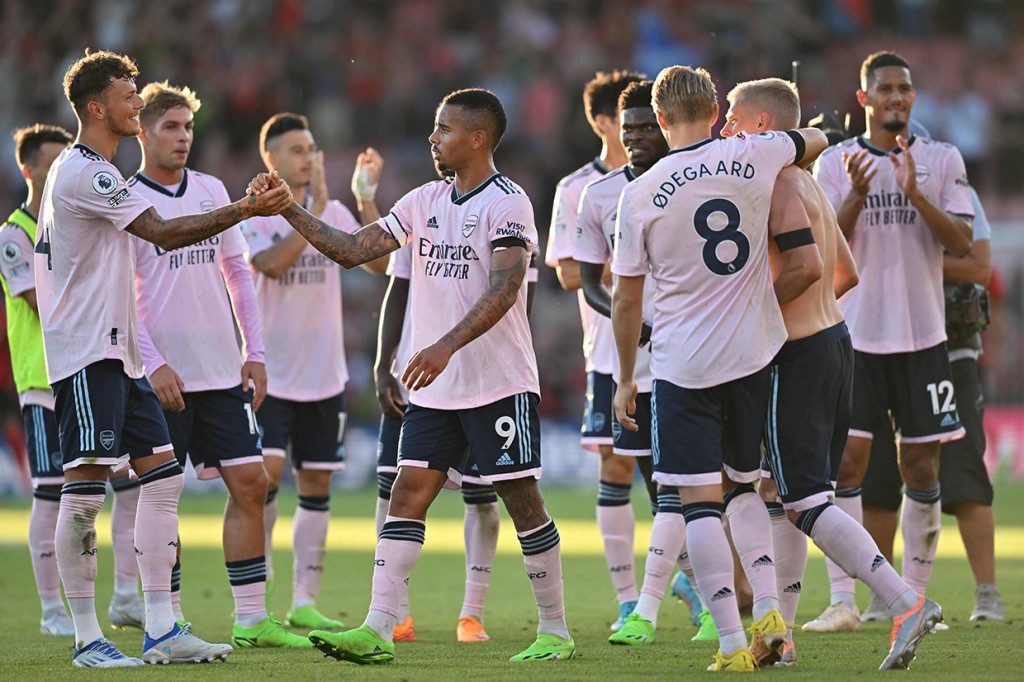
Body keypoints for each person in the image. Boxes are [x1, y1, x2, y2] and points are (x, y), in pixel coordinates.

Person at [250, 87, 574, 664]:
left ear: (477, 138)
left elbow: (505, 290)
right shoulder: (424, 200)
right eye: (433, 127)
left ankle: (554, 628)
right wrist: (289, 210)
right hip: (436, 388)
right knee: (407, 493)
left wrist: (446, 344)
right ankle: (378, 627)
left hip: (497, 381)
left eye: (444, 129)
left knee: (521, 498)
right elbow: (353, 249)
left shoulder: (510, 202)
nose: (433, 138)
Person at [36, 49, 289, 667]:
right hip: (90, 349)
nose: (138, 104)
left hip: (121, 355)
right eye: (129, 97)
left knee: (162, 478)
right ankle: (88, 638)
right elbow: (163, 233)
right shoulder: (86, 173)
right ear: (98, 108)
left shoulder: (102, 173)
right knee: (87, 488)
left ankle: (161, 627)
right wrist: (245, 210)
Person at [611, 65, 828, 672]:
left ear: (658, 119)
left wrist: (626, 378)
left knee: (697, 501)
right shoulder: (754, 153)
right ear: (714, 109)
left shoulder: (639, 193)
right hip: (752, 355)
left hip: (683, 364)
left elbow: (627, 300)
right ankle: (771, 620)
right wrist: (789, 145)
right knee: (745, 489)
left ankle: (733, 645)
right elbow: (816, 139)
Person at [722, 77, 944, 671]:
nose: (723, 131)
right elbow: (843, 273)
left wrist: (747, 320)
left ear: (763, 127)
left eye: (732, 120)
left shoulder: (771, 183)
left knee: (797, 499)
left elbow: (807, 268)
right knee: (783, 494)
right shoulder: (811, 186)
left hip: (794, 355)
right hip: (833, 343)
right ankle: (781, 637)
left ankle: (904, 600)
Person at [129, 81, 310, 648]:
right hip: (161, 377)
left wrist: (252, 353)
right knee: (161, 496)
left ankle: (252, 617)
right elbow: (118, 292)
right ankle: (170, 618)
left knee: (251, 484)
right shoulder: (126, 199)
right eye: (170, 127)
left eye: (188, 127)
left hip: (219, 372)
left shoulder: (211, 190)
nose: (183, 138)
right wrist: (152, 362)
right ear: (142, 131)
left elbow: (238, 274)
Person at [808, 51, 974, 629]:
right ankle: (842, 602)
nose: (897, 98)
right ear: (865, 99)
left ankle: (914, 600)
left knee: (922, 466)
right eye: (886, 89)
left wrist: (917, 194)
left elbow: (961, 244)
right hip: (854, 338)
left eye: (905, 89)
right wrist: (856, 194)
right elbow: (824, 249)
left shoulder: (940, 159)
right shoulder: (835, 163)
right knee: (847, 462)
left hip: (923, 335)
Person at [242, 113, 387, 632]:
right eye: (297, 149)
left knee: (317, 482)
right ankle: (257, 594)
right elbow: (273, 264)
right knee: (264, 482)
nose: (309, 157)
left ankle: (304, 598)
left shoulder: (336, 209)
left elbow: (378, 264)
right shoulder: (255, 213)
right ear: (272, 158)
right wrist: (314, 212)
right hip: (270, 377)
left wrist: (363, 198)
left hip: (324, 375)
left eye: (312, 148)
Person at [1, 124, 144, 636]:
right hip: (44, 379)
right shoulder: (13, 234)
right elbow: (43, 302)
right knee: (53, 490)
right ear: (28, 168)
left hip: (99, 364)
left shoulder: (75, 219)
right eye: (49, 159)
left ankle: (126, 595)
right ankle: (52, 611)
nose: (60, 165)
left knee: (130, 483)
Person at [571, 79, 687, 646]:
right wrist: (628, 320)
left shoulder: (692, 182)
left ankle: (721, 598)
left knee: (697, 483)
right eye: (629, 129)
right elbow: (587, 281)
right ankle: (647, 604)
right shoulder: (595, 195)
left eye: (646, 126)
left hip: (693, 356)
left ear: (665, 126)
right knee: (650, 476)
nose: (637, 136)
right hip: (632, 364)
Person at [859, 185, 1003, 623]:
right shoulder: (866, 193)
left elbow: (979, 266)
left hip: (950, 345)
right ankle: (884, 595)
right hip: (880, 344)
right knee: (877, 474)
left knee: (964, 468)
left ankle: (987, 592)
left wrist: (907, 263)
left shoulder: (955, 191)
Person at [545, 70, 649, 631]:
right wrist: (618, 266)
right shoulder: (576, 189)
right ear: (604, 122)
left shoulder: (670, 178)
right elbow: (566, 273)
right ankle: (629, 599)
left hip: (673, 348)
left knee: (671, 472)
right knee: (615, 464)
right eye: (629, 118)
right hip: (608, 349)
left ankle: (681, 581)